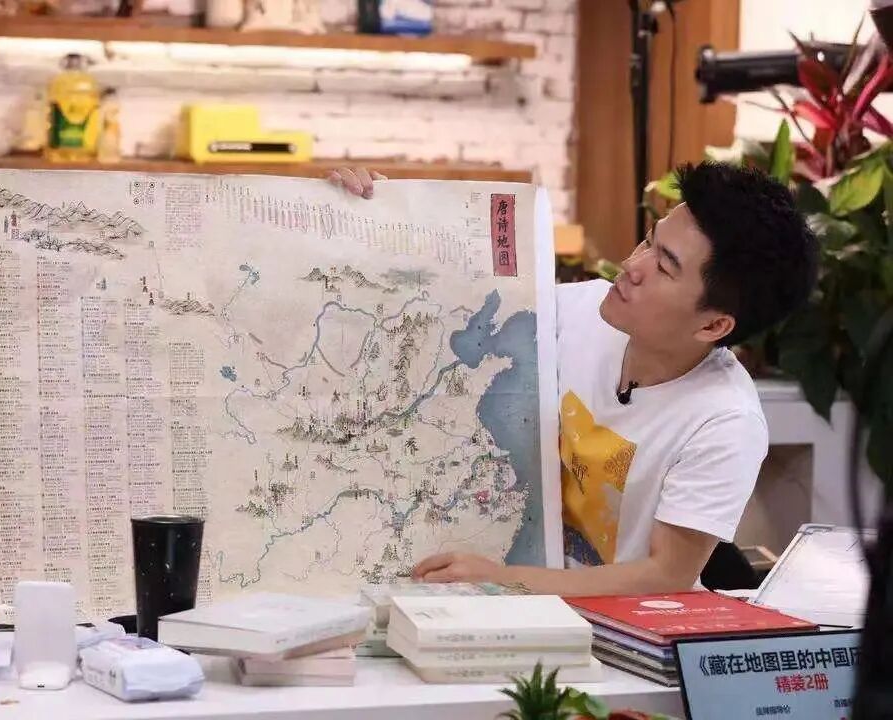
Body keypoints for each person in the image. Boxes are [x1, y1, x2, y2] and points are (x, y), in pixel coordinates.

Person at [327, 162, 818, 595]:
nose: (632, 265)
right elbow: (447, 315)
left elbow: (665, 575)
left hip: (611, 639)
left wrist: (503, 581)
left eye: (665, 267)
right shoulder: (575, 310)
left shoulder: (725, 421)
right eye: (648, 240)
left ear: (713, 326)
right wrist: (380, 217)